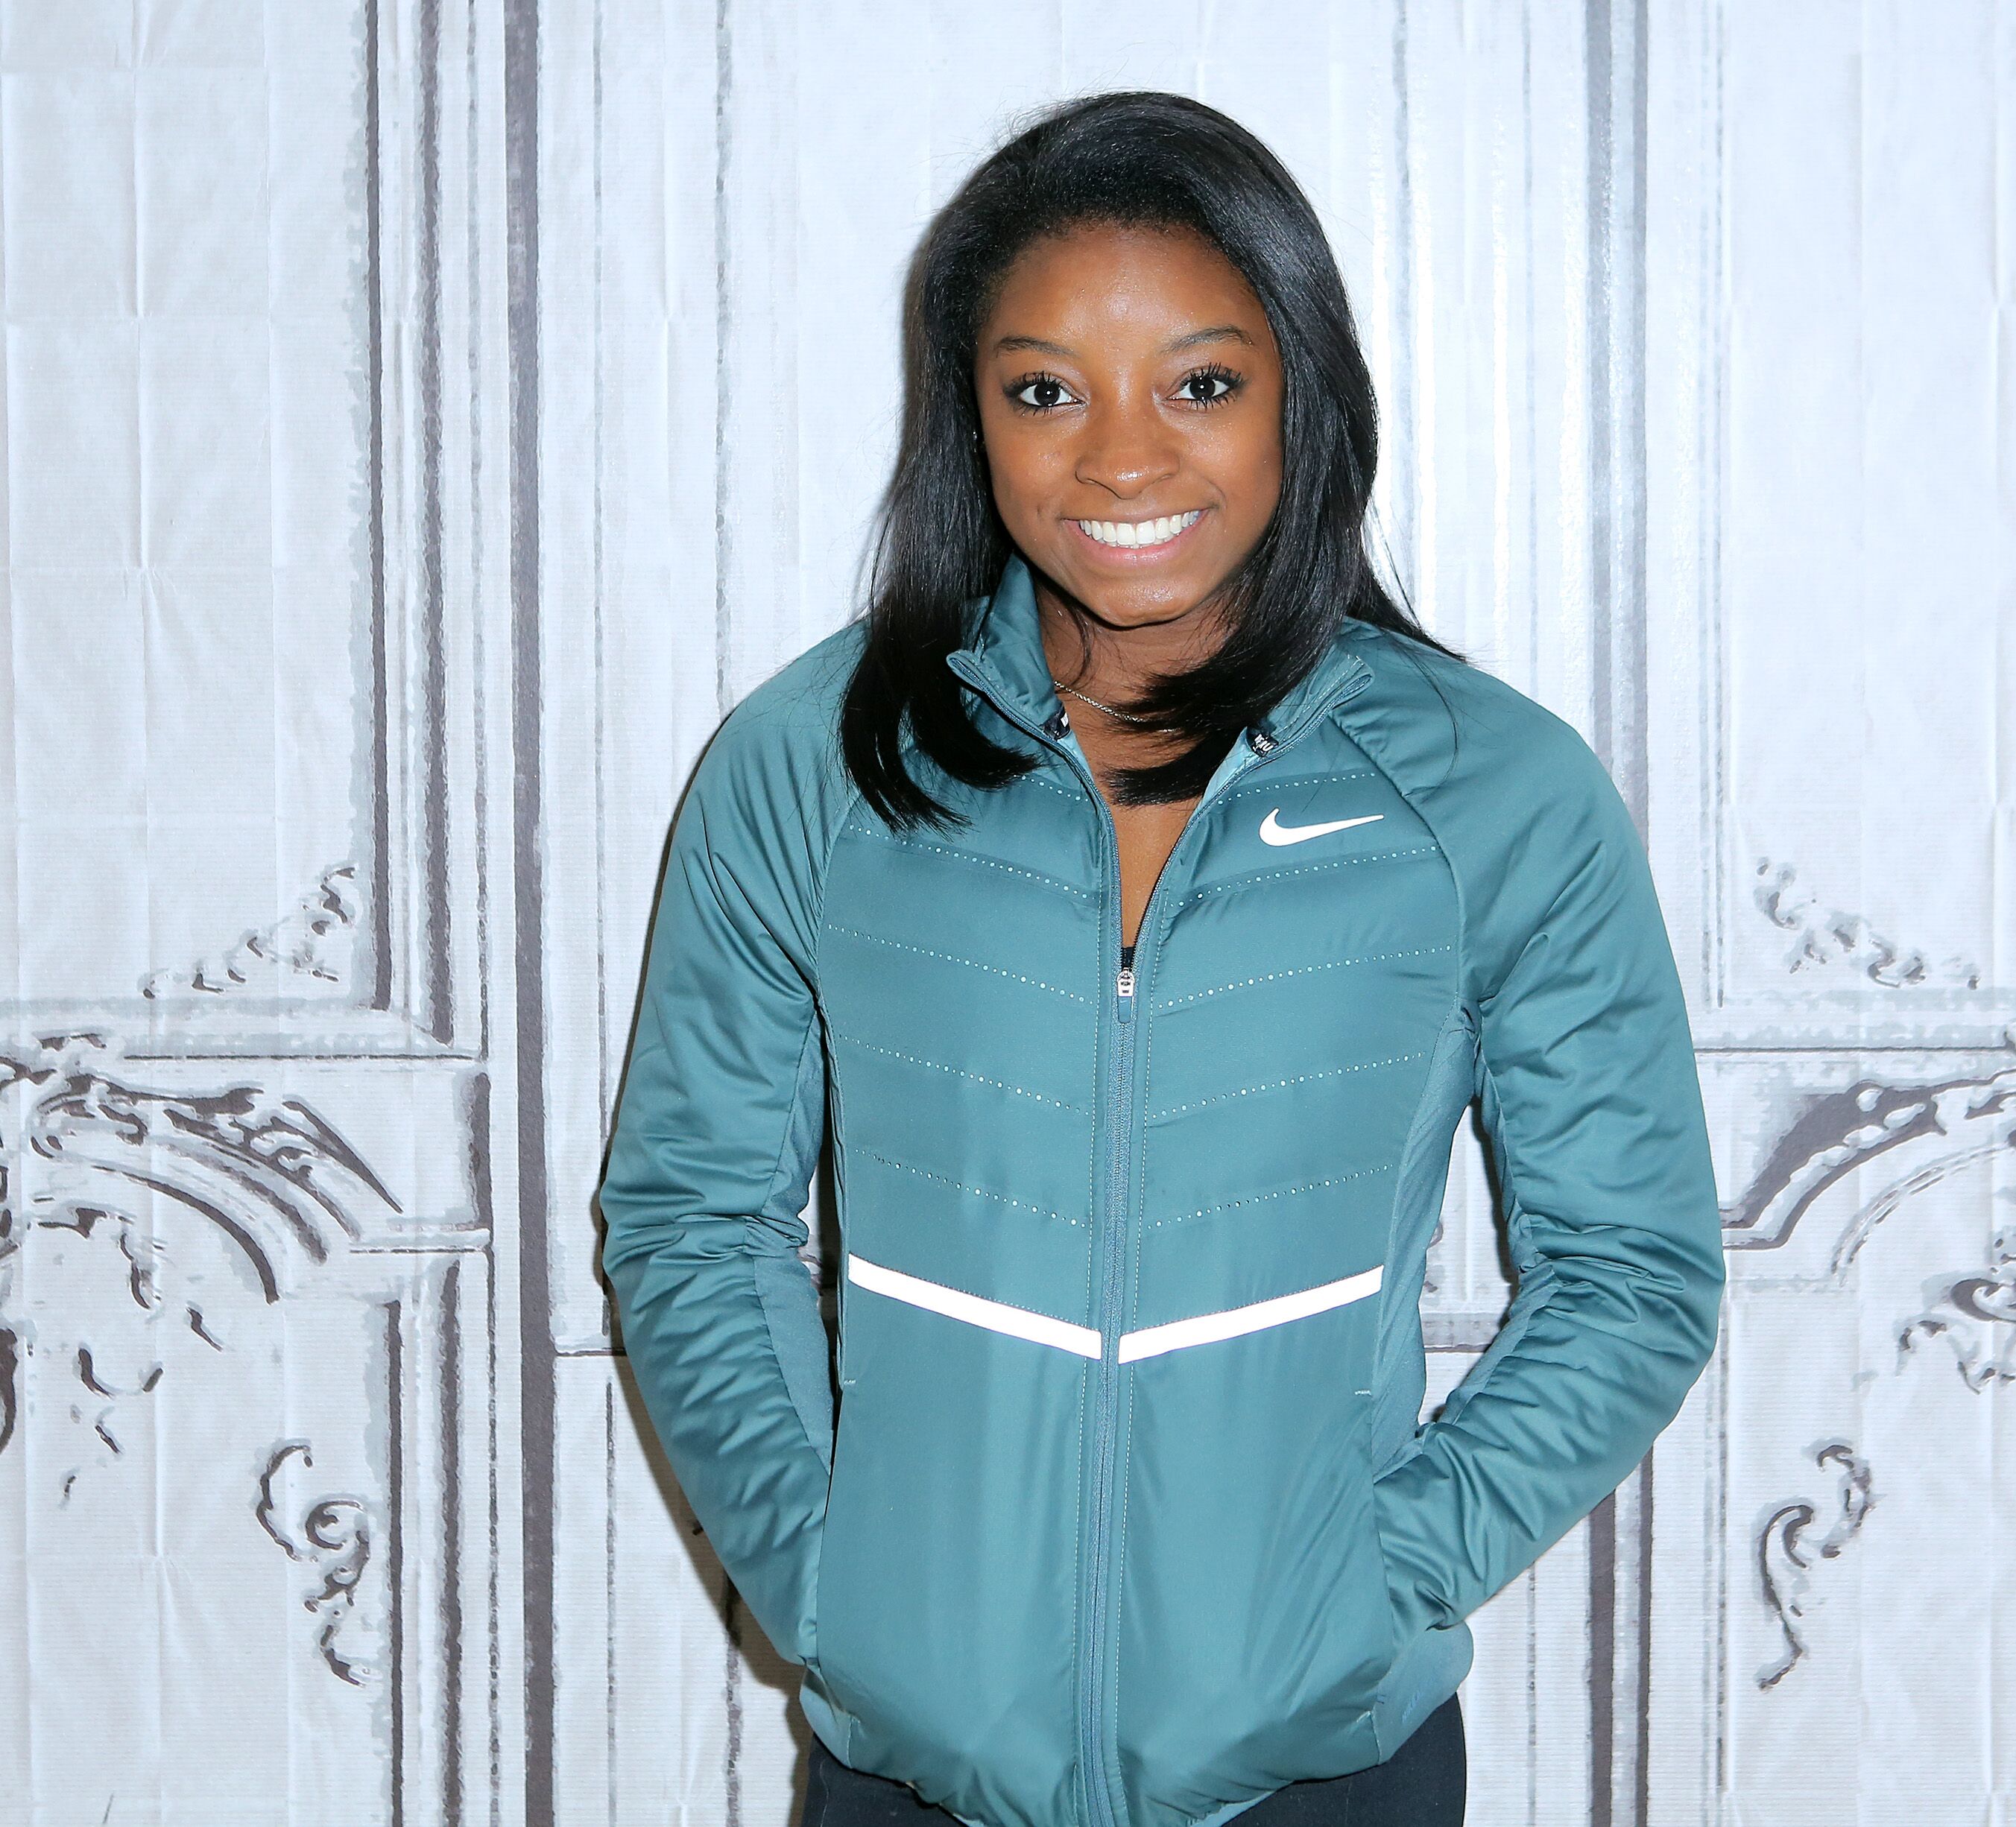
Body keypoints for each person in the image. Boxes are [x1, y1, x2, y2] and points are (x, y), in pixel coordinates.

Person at [597, 89, 1725, 1827]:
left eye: (1201, 382)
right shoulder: (811, 762)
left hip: (1324, 1772)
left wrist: (1380, 1579)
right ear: (968, 418)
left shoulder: (1490, 791)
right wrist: (835, 1589)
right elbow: (688, 1209)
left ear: (1303, 396)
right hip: (912, 1776)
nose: (1121, 461)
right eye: (1045, 390)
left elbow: (1634, 1267)